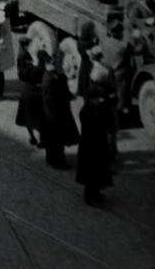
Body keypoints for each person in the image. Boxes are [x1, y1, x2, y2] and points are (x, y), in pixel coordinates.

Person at [75, 48, 117, 204]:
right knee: (92, 170)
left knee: (96, 169)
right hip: (91, 143)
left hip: (95, 141)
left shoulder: (93, 99)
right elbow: (92, 119)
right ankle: (90, 196)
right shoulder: (88, 111)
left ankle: (95, 192)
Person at [40, 51, 77, 169]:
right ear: (47, 64)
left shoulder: (48, 75)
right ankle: (59, 162)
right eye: (53, 63)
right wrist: (65, 100)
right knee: (58, 139)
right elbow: (49, 99)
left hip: (49, 113)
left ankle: (50, 158)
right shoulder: (50, 79)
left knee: (51, 138)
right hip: (55, 113)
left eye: (55, 62)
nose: (55, 65)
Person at [14, 42, 45, 148]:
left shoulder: (30, 68)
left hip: (27, 93)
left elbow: (21, 76)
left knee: (27, 116)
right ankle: (42, 139)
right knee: (41, 118)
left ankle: (32, 136)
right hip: (39, 94)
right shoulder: (44, 69)